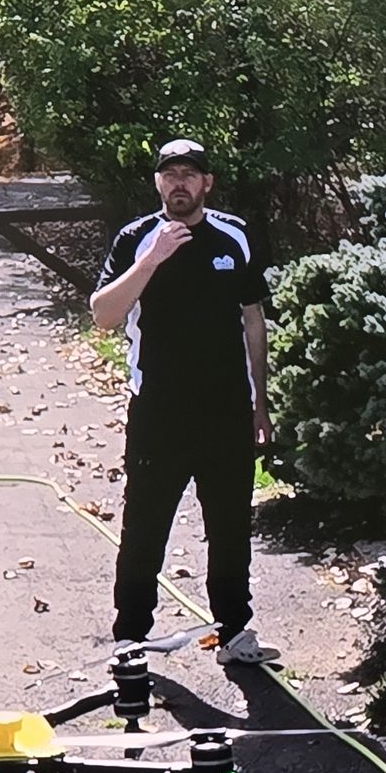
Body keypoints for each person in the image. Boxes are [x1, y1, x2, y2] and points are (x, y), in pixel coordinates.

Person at [87, 137, 272, 662]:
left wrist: (262, 401)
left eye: (190, 175)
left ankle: (234, 632)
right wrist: (153, 260)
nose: (180, 184)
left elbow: (253, 320)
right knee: (145, 525)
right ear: (158, 184)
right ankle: (130, 637)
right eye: (170, 175)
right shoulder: (136, 238)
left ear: (206, 183)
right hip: (158, 411)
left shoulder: (233, 236)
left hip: (227, 410)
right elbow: (102, 314)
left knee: (231, 526)